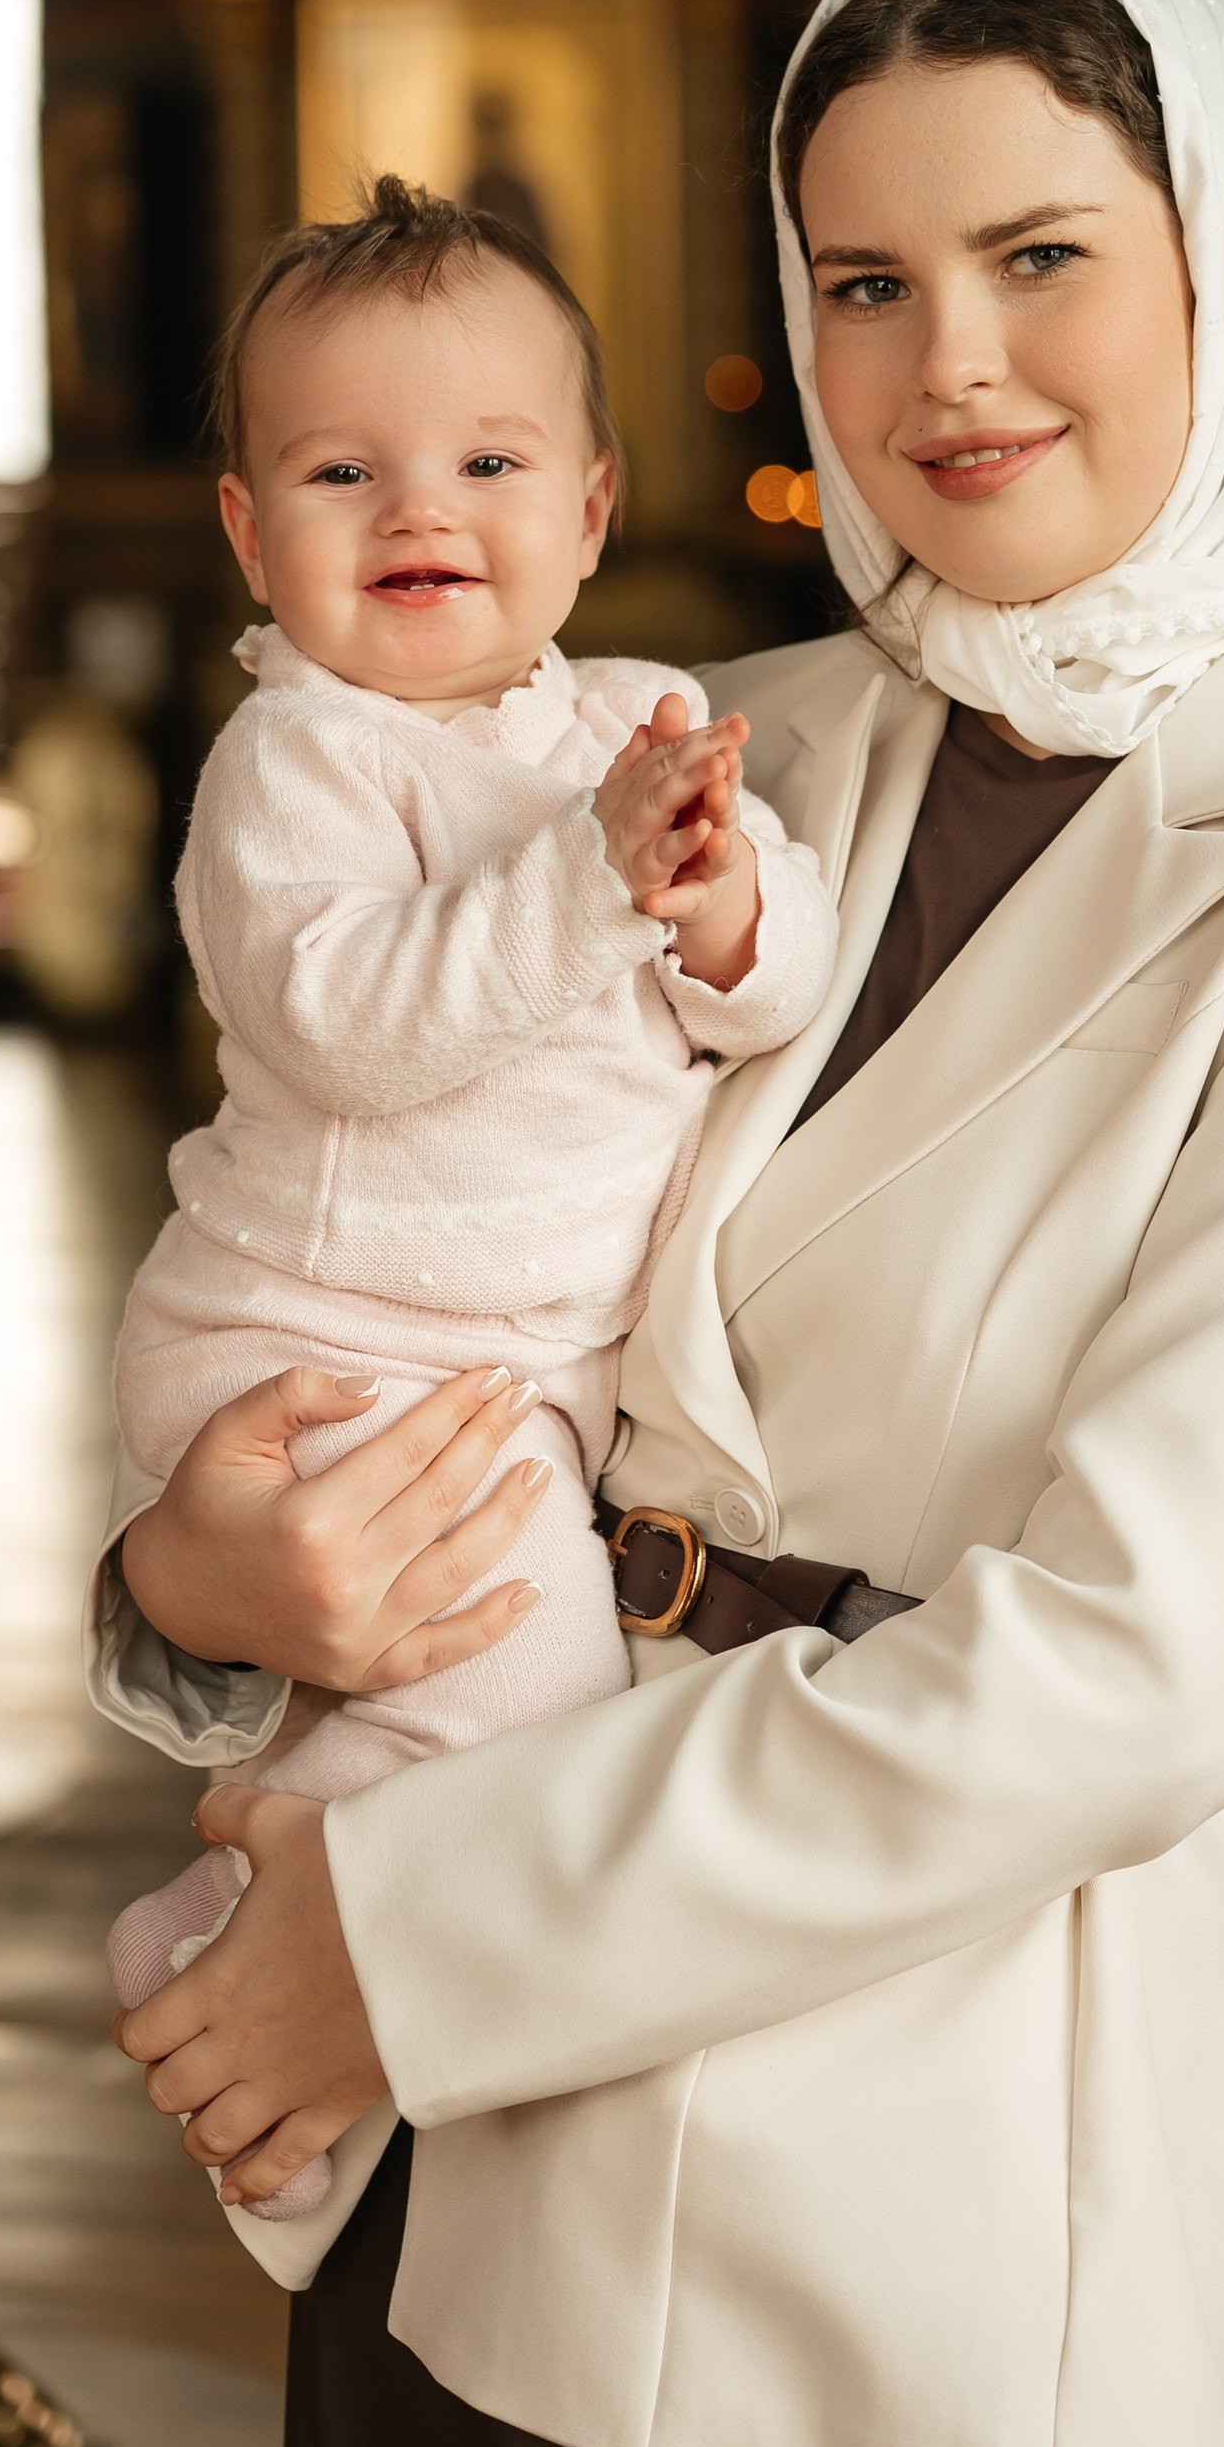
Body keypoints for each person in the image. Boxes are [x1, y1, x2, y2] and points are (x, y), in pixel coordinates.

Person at [94, 0, 1224, 2447]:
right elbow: (375, 1271)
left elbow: (1141, 1670)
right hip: (454, 2180)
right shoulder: (694, 741)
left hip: (898, 2236)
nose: (955, 369)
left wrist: (398, 1947)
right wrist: (195, 1603)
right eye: (864, 281)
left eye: (1045, 257)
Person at [102, 173, 833, 2242]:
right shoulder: (299, 762)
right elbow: (348, 1022)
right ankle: (250, 1989)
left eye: (485, 461)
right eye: (344, 469)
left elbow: (795, 972)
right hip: (325, 1339)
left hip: (505, 1361)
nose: (421, 508)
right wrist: (594, 880)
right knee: (505, 1688)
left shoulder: (631, 726)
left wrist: (722, 905)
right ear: (252, 530)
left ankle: (246, 1928)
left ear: (588, 509)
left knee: (507, 1694)